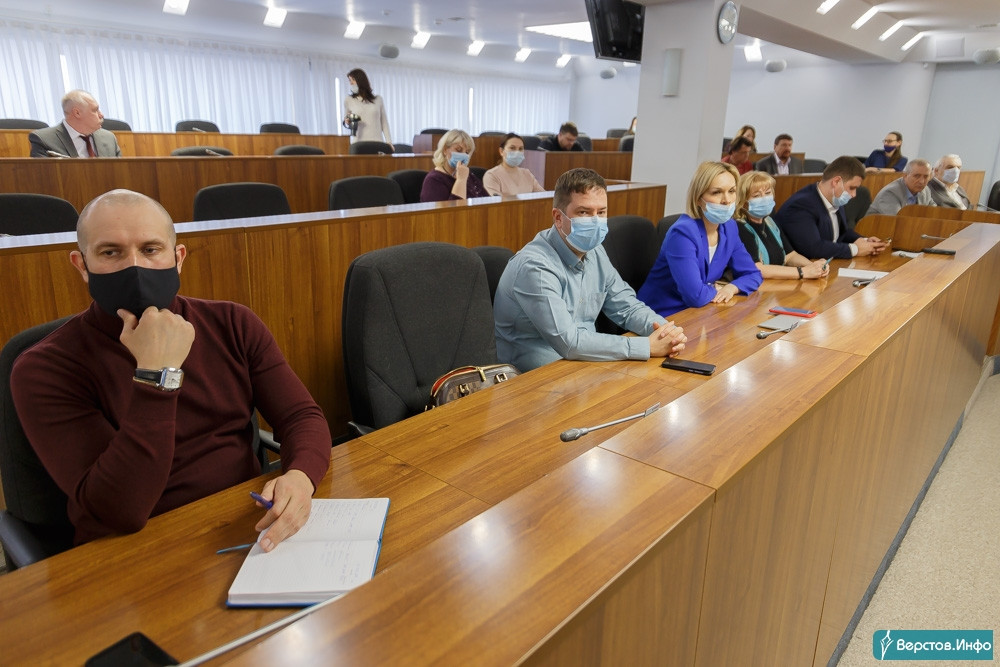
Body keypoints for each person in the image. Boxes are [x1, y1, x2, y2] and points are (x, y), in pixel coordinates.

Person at [10, 190, 331, 549]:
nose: (135, 266)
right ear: (81, 265)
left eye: (150, 249)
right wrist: (157, 374)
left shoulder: (232, 323)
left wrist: (301, 476)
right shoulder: (44, 368)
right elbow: (120, 510)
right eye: (110, 252)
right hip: (130, 549)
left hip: (244, 522)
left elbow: (301, 416)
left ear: (178, 258)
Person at [494, 168, 686, 372]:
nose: (595, 222)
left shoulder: (595, 251)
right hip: (536, 375)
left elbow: (627, 307)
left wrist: (666, 332)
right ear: (558, 218)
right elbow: (569, 342)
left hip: (585, 362)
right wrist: (646, 346)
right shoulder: (535, 267)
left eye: (601, 212)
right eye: (584, 212)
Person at [637, 162, 762, 317]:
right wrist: (714, 289)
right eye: (716, 192)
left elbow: (753, 274)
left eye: (731, 191)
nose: (727, 200)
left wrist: (731, 288)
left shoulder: (729, 227)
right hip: (661, 314)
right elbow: (695, 296)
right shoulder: (682, 233)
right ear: (698, 199)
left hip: (700, 311)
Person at [773, 156, 887, 259]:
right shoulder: (801, 205)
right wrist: (855, 249)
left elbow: (841, 233)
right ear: (836, 182)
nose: (854, 195)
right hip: (802, 267)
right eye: (852, 188)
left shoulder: (834, 199)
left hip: (826, 264)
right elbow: (813, 248)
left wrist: (864, 242)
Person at [735, 171, 829, 280]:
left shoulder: (770, 222)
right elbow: (758, 269)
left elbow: (790, 256)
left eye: (768, 193)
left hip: (777, 286)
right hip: (758, 288)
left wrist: (814, 266)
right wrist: (802, 272)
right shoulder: (739, 227)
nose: (764, 198)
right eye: (757, 196)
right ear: (744, 202)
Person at [29, 89, 122, 158]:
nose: (101, 115)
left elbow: (120, 171)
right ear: (77, 113)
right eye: (95, 110)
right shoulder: (44, 140)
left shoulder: (109, 138)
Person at [419, 129, 489, 202]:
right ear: (445, 150)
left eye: (467, 152)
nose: (463, 155)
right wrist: (461, 180)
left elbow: (487, 201)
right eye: (459, 150)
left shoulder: (469, 175)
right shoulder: (434, 180)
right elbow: (454, 208)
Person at [342, 68, 392, 148]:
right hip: (358, 144)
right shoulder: (348, 100)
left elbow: (384, 123)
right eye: (349, 80)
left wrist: (389, 142)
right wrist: (347, 121)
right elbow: (346, 120)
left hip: (377, 143)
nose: (351, 83)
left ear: (360, 80)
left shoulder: (378, 99)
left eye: (353, 80)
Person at [866, 159, 934, 215]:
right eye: (917, 176)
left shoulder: (925, 190)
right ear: (905, 175)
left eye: (926, 176)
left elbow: (935, 213)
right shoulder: (890, 193)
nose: (922, 181)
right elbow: (898, 222)